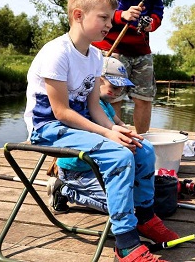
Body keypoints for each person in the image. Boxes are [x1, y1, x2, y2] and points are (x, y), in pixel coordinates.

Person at [24, 0, 176, 262]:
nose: (110, 24)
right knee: (119, 155)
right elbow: (60, 112)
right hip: (49, 130)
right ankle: (126, 243)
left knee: (143, 149)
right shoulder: (57, 52)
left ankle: (144, 217)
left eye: (111, 18)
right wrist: (107, 135)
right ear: (78, 15)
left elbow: (94, 106)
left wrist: (114, 128)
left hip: (78, 125)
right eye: (104, 18)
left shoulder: (95, 56)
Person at [90, 0, 164, 134]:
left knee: (144, 98)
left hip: (142, 50)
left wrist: (153, 23)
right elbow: (92, 4)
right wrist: (119, 16)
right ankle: (115, 143)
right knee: (111, 97)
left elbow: (158, 7)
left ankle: (142, 145)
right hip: (111, 48)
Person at [47, 56, 136, 215]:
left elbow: (118, 123)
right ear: (100, 80)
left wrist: (129, 132)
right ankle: (64, 189)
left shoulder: (106, 105)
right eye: (114, 87)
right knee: (120, 207)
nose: (117, 92)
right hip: (76, 169)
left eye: (121, 89)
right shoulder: (92, 106)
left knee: (130, 198)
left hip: (96, 167)